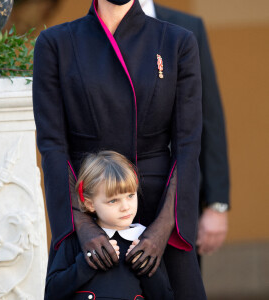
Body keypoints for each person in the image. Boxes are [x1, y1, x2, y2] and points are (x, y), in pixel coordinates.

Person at [33, 0, 206, 298]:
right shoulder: (55, 43)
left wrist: (163, 228)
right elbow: (52, 145)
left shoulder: (177, 41)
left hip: (159, 204)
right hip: (89, 203)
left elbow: (188, 146)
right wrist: (83, 224)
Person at [139, 0, 230, 257]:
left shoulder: (188, 27)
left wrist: (217, 205)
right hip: (113, 199)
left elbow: (209, 117)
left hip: (181, 202)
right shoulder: (90, 32)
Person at [44, 151, 174, 299]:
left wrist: (145, 268)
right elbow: (52, 292)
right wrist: (86, 264)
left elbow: (165, 296)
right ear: (90, 204)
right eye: (113, 200)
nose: (126, 207)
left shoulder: (144, 242)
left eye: (130, 195)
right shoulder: (76, 238)